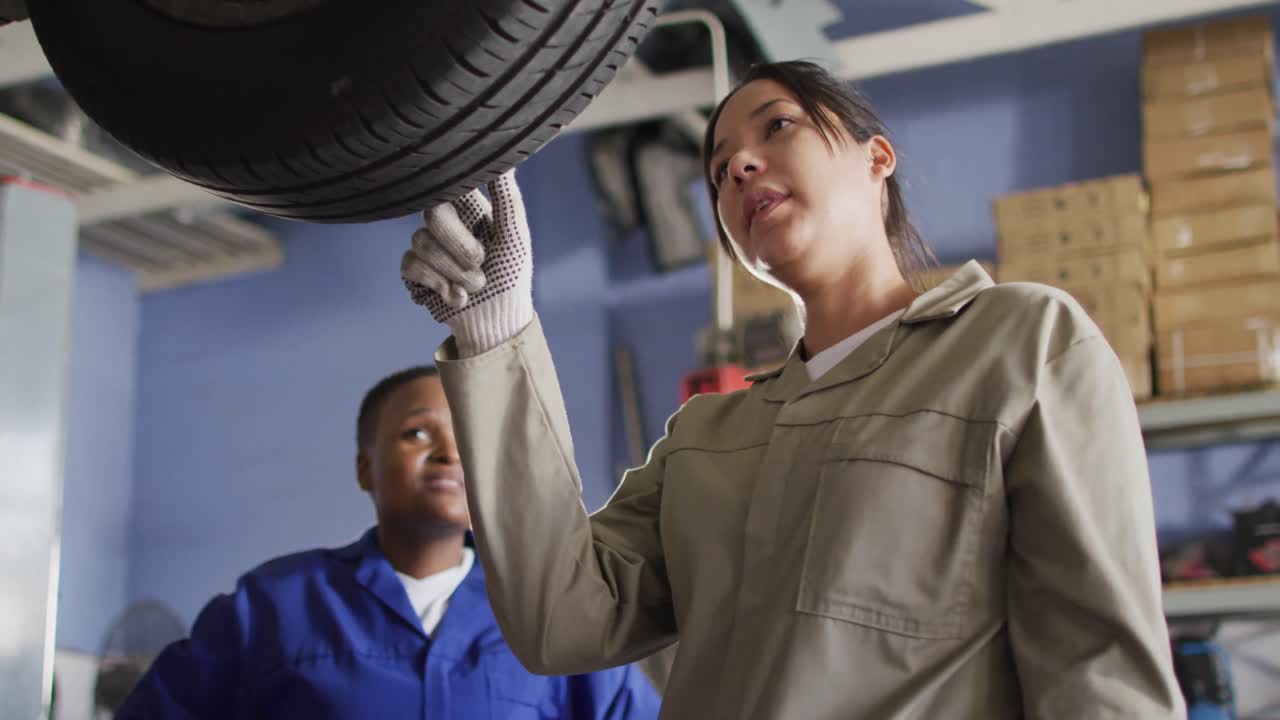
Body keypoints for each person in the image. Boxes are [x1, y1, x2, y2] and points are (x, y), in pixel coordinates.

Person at [400, 60, 1184, 718]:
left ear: (877, 158)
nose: (740, 166)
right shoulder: (705, 437)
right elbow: (562, 621)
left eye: (777, 127)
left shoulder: (1019, 344)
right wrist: (496, 329)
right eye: (718, 171)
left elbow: (1101, 669)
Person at [115, 366, 661, 719]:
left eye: (468, 438)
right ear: (364, 467)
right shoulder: (273, 606)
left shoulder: (551, 609)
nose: (450, 454)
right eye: (417, 433)